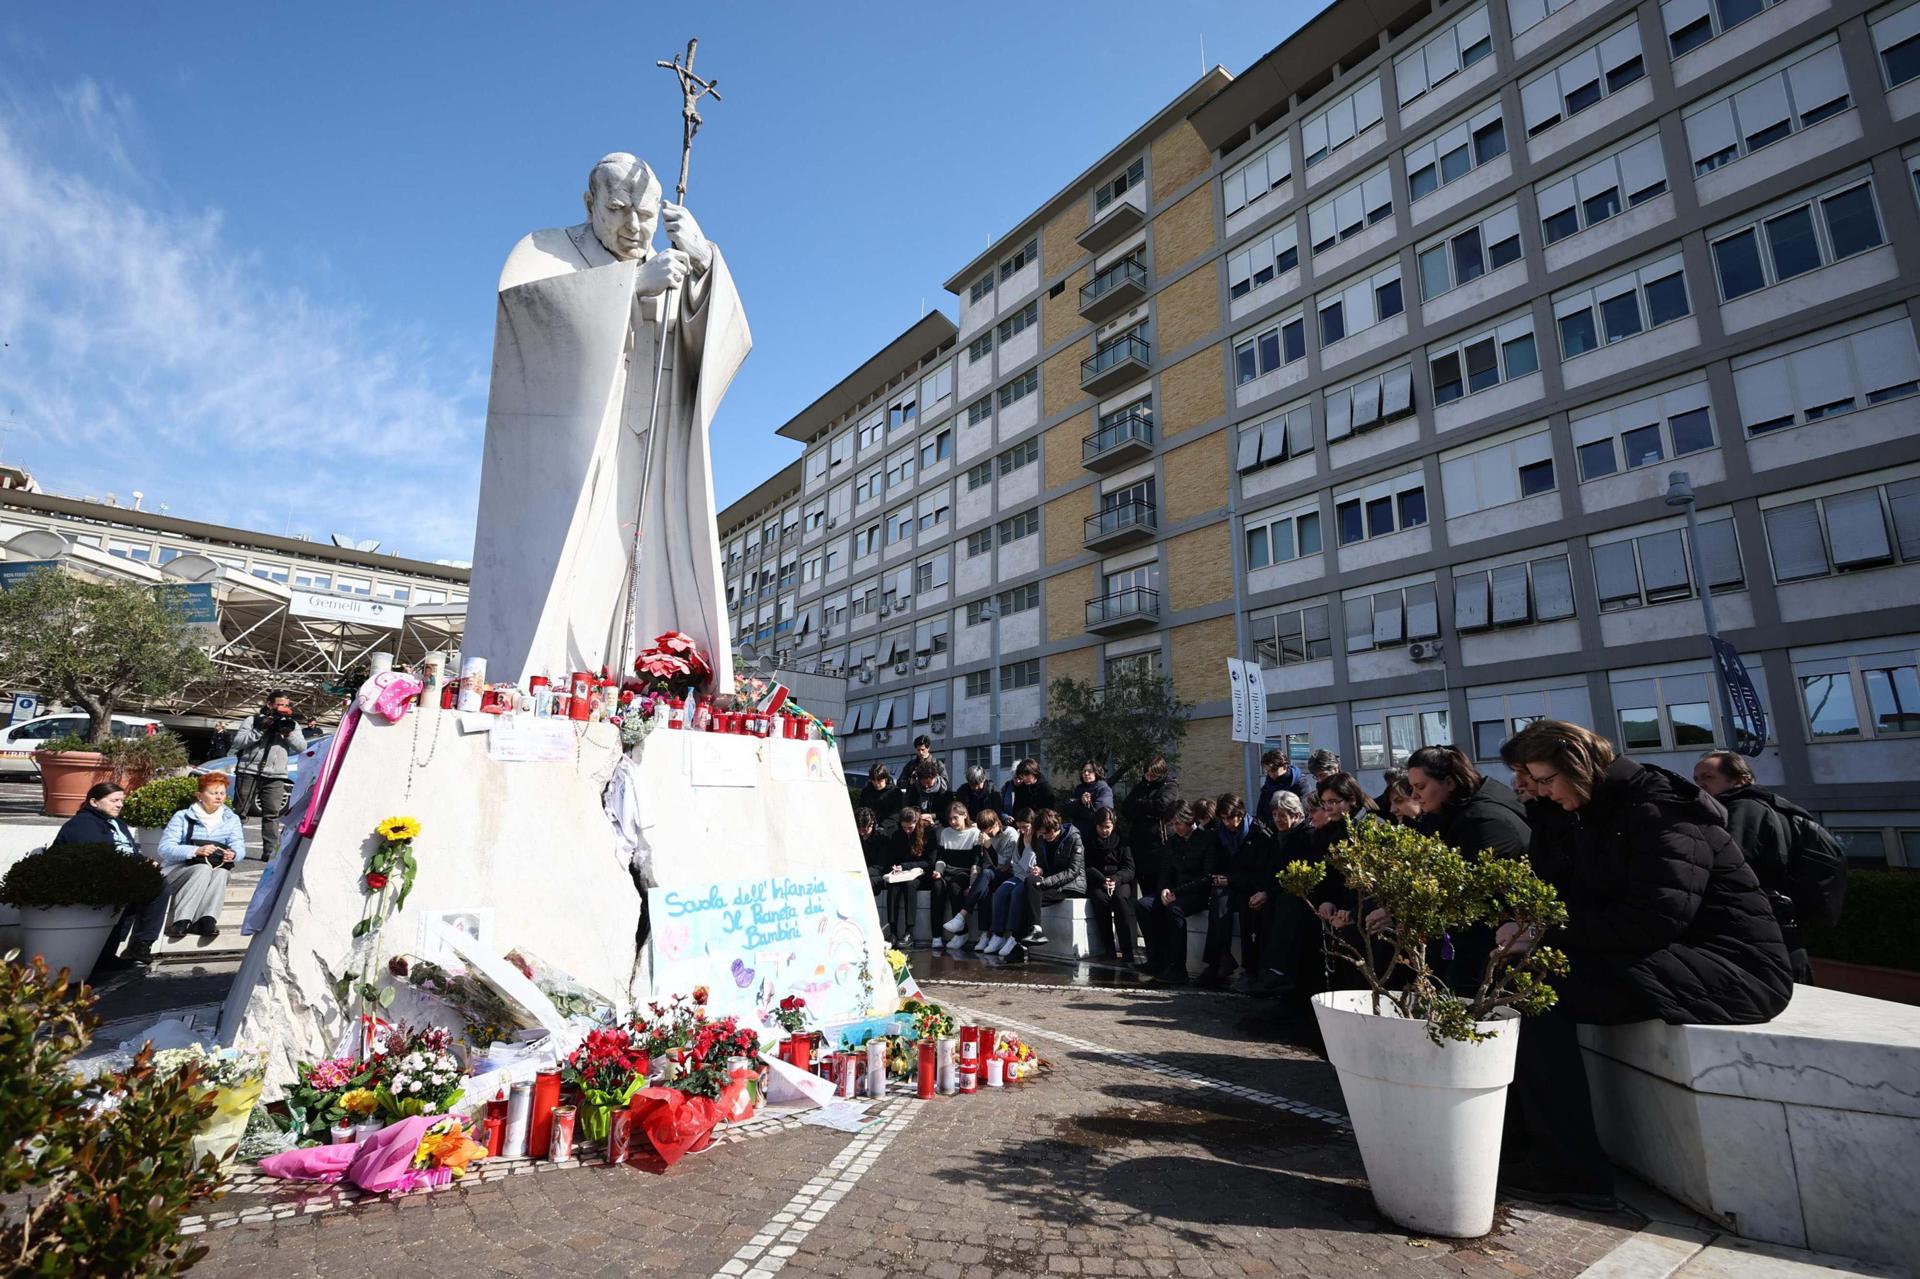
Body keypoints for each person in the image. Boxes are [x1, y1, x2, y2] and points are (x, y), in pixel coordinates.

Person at [1501, 721, 1793, 1209]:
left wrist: (1542, 934)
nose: (1540, 792)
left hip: (1734, 970)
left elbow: (1655, 918)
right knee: (1513, 983)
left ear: (1576, 765)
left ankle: (1572, 1171)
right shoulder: (1597, 808)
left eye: (1546, 780)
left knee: (1535, 995)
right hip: (1670, 957)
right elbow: (1577, 896)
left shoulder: (1658, 807)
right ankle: (1526, 1145)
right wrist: (1524, 923)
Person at [1405, 745, 1533, 989]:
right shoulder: (1454, 814)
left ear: (1450, 783)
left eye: (1420, 787)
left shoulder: (1484, 821)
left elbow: (1477, 897)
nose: (1414, 796)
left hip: (1492, 942)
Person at [1693, 751, 1816, 982]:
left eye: (1708, 777)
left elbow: (1729, 865)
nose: (1700, 785)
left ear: (1740, 779)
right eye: (1697, 780)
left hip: (1762, 933)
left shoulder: (1743, 809)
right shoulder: (1775, 807)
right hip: (1784, 931)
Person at [59, 782, 163, 971]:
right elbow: (97, 855)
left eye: (121, 800)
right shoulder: (84, 823)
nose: (120, 805)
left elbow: (128, 849)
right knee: (134, 891)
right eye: (114, 800)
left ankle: (142, 944)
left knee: (159, 886)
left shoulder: (118, 823)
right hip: (92, 878)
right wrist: (136, 864)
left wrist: (144, 861)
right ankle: (106, 955)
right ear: (94, 802)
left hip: (122, 873)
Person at [151, 772, 248, 942]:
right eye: (213, 793)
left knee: (222, 873)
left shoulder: (231, 818)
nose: (219, 797)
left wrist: (233, 854)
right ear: (199, 795)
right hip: (177, 870)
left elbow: (239, 846)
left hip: (214, 869)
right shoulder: (182, 816)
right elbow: (165, 848)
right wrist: (195, 851)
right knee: (202, 869)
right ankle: (182, 920)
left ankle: (207, 919)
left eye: (222, 793)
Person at [1238, 791, 1314, 998]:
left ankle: (1278, 972)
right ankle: (1255, 969)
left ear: (1297, 815)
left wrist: (1268, 893)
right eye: (1276, 815)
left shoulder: (1305, 836)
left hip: (1292, 893)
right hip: (1272, 889)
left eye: (1284, 815)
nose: (1279, 820)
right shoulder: (1272, 836)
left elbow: (1295, 873)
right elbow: (1267, 868)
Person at [1138, 800, 1216, 984]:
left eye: (1178, 824)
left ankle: (1178, 968)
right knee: (1143, 905)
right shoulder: (1173, 842)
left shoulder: (1206, 839)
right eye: (1172, 824)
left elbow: (1206, 877)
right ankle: (1156, 959)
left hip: (1196, 893)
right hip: (1174, 891)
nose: (1175, 828)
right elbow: (1165, 871)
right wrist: (1164, 889)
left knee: (1175, 910)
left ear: (1189, 820)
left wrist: (1176, 892)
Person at [996, 809, 1085, 959]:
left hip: (1070, 885)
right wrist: (1040, 869)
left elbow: (1073, 871)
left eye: (1047, 834)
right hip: (1050, 882)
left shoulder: (1073, 837)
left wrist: (1046, 881)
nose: (1044, 837)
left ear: (1056, 828)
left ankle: (1019, 945)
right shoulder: (1043, 839)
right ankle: (1035, 930)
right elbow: (1044, 864)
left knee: (1028, 898)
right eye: (1042, 834)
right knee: (1029, 883)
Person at [231, 690, 306, 864]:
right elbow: (238, 742)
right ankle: (231, 847)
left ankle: (270, 852)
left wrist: (288, 734)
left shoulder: (292, 724)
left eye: (287, 705)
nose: (284, 708)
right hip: (248, 771)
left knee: (272, 814)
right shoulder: (253, 720)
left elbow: (302, 747)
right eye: (281, 704)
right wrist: (260, 730)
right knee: (240, 812)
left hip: (276, 775)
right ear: (269, 704)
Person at [1083, 807, 1137, 963]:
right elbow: (1086, 866)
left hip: (1119, 880)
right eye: (1101, 827)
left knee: (1120, 900)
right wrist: (1102, 879)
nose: (1105, 831)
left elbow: (1129, 868)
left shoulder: (1122, 840)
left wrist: (1115, 879)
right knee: (1100, 900)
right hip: (1098, 880)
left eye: (1108, 827)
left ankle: (1127, 950)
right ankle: (1108, 948)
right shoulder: (1089, 840)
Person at [1122, 756, 1180, 899]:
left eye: (1152, 775)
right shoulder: (1140, 787)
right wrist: (1148, 807)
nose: (1148, 778)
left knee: (1161, 890)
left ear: (1161, 773)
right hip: (1141, 847)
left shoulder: (1170, 786)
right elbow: (1126, 808)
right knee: (1146, 892)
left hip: (1160, 846)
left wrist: (1140, 805)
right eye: (1146, 774)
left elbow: (1163, 805)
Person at [958, 809, 1013, 950]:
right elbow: (981, 863)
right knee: (984, 890)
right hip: (990, 874)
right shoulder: (983, 836)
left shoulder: (1010, 834)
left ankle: (963, 914)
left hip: (1009, 874)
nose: (986, 834)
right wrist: (973, 884)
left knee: (987, 875)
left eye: (988, 831)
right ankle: (985, 934)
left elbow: (1005, 864)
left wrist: (989, 846)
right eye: (983, 831)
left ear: (996, 824)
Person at [933, 802, 983, 950]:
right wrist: (938, 871)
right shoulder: (945, 832)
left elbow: (976, 862)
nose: (953, 822)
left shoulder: (974, 833)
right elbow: (941, 858)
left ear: (965, 815)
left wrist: (971, 885)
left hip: (964, 872)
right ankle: (936, 935)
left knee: (954, 887)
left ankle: (962, 932)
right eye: (950, 819)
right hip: (947, 871)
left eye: (956, 818)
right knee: (937, 887)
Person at [881, 804, 931, 945]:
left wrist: (906, 866)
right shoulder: (897, 835)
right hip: (903, 872)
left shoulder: (927, 833)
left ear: (916, 823)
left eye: (910, 827)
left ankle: (909, 931)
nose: (907, 831)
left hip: (920, 873)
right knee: (893, 886)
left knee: (910, 886)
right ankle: (893, 931)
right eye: (904, 827)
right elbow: (893, 857)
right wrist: (896, 868)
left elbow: (929, 862)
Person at [1065, 761, 1115, 840]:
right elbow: (1068, 809)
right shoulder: (1079, 788)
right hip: (1078, 835)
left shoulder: (1103, 789)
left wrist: (1079, 809)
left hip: (1095, 837)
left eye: (1090, 771)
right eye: (1084, 771)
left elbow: (1101, 814)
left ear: (1097, 772)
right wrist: (1080, 802)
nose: (1086, 773)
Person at [899, 760, 951, 829]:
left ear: (935, 778)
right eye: (923, 783)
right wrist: (918, 816)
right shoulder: (914, 789)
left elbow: (949, 812)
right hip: (919, 824)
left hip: (941, 825)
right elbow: (909, 807)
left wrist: (932, 816)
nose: (926, 786)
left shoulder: (944, 790)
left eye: (929, 783)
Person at [857, 763, 906, 835]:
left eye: (879, 780)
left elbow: (897, 814)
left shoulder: (895, 792)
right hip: (869, 828)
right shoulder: (866, 791)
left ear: (885, 779)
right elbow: (862, 809)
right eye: (873, 780)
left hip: (889, 829)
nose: (876, 783)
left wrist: (882, 826)